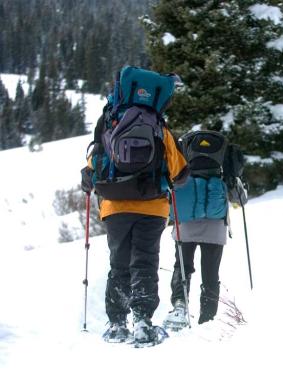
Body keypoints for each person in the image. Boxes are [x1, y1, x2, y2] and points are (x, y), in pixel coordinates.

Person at [81, 67, 189, 346]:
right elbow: (179, 170)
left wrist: (89, 179)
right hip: (152, 207)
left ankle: (117, 324)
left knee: (119, 263)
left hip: (115, 206)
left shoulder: (109, 120)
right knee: (145, 262)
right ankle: (142, 321)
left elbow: (95, 163)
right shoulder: (159, 125)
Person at [163, 132, 247, 330]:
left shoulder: (182, 152)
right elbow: (239, 198)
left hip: (185, 223)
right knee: (210, 274)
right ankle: (207, 320)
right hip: (215, 226)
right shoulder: (224, 159)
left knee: (182, 267)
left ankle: (179, 305)